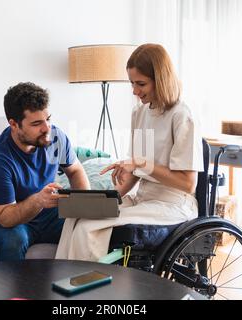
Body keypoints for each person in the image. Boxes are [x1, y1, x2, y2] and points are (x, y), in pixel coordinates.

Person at [56, 43, 204, 261]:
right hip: (142, 197)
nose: (135, 91)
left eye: (141, 83)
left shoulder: (182, 116)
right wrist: (112, 198)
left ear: (161, 79)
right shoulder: (140, 112)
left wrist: (142, 164)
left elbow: (188, 183)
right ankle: (63, 285)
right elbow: (136, 170)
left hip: (172, 204)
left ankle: (86, 291)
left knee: (88, 229)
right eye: (132, 83)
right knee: (76, 219)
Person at [0, 82, 90, 261]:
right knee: (15, 240)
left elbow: (75, 170)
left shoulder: (55, 138)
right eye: (37, 123)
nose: (46, 128)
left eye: (48, 119)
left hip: (48, 213)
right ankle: (11, 290)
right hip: (1, 219)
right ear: (14, 124)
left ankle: (81, 286)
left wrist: (84, 206)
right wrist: (38, 201)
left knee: (88, 227)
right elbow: (5, 217)